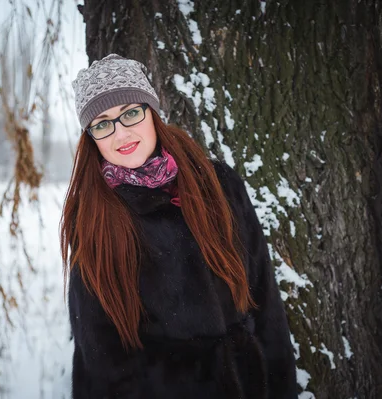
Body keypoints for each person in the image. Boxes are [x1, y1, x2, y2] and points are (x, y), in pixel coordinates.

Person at [61, 54, 297, 399]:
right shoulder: (95, 219)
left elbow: (265, 300)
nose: (120, 132)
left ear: (152, 112)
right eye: (102, 123)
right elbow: (100, 356)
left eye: (130, 112)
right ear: (91, 136)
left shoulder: (219, 186)